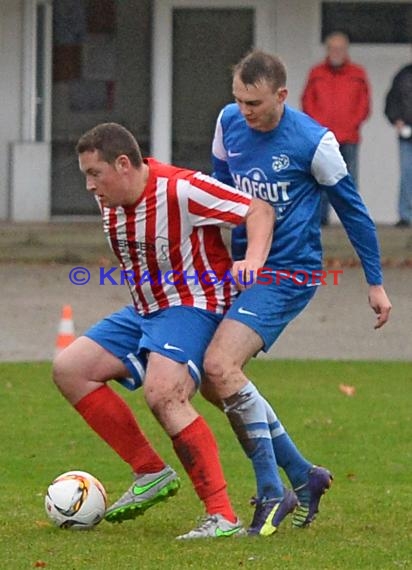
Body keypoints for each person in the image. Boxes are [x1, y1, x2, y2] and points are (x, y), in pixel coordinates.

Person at [52, 122, 274, 539]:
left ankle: (222, 515)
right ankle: (150, 471)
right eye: (85, 175)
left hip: (195, 305)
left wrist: (254, 260)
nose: (89, 186)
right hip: (145, 310)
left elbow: (257, 209)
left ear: (123, 164)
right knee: (69, 368)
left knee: (162, 391)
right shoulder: (111, 201)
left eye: (94, 173)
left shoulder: (181, 190)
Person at [203, 49, 392, 537]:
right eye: (240, 100)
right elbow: (220, 196)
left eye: (256, 103)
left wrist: (374, 282)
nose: (246, 112)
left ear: (282, 96)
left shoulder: (314, 141)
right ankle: (304, 475)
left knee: (221, 367)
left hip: (290, 273)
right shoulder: (228, 123)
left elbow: (353, 211)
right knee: (211, 379)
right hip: (246, 270)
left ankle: (271, 493)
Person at [301, 31, 371, 225]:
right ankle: (321, 220)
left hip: (348, 137)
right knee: (321, 179)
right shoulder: (316, 73)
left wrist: (350, 124)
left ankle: (351, 221)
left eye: (339, 48)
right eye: (332, 48)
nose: (336, 52)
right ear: (327, 49)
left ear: (346, 49)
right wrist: (318, 126)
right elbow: (307, 102)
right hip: (323, 138)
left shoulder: (358, 73)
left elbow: (364, 105)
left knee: (347, 181)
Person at [384, 60, 412, 227]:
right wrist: (396, 119)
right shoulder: (403, 75)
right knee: (407, 172)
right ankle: (406, 214)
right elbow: (391, 101)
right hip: (407, 132)